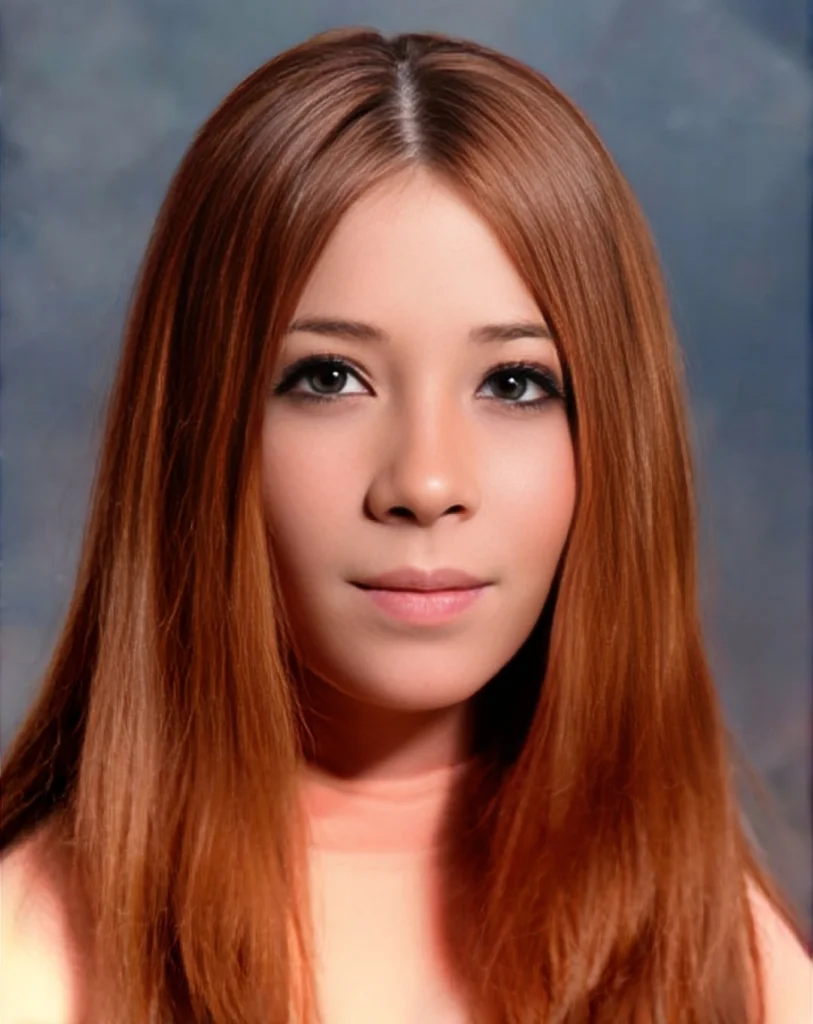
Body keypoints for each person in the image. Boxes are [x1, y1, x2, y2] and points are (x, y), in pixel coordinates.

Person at [1, 25, 810, 1024]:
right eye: (328, 378)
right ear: (196, 433)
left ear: (614, 441)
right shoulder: (29, 964)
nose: (425, 482)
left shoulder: (726, 966)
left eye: (514, 383)